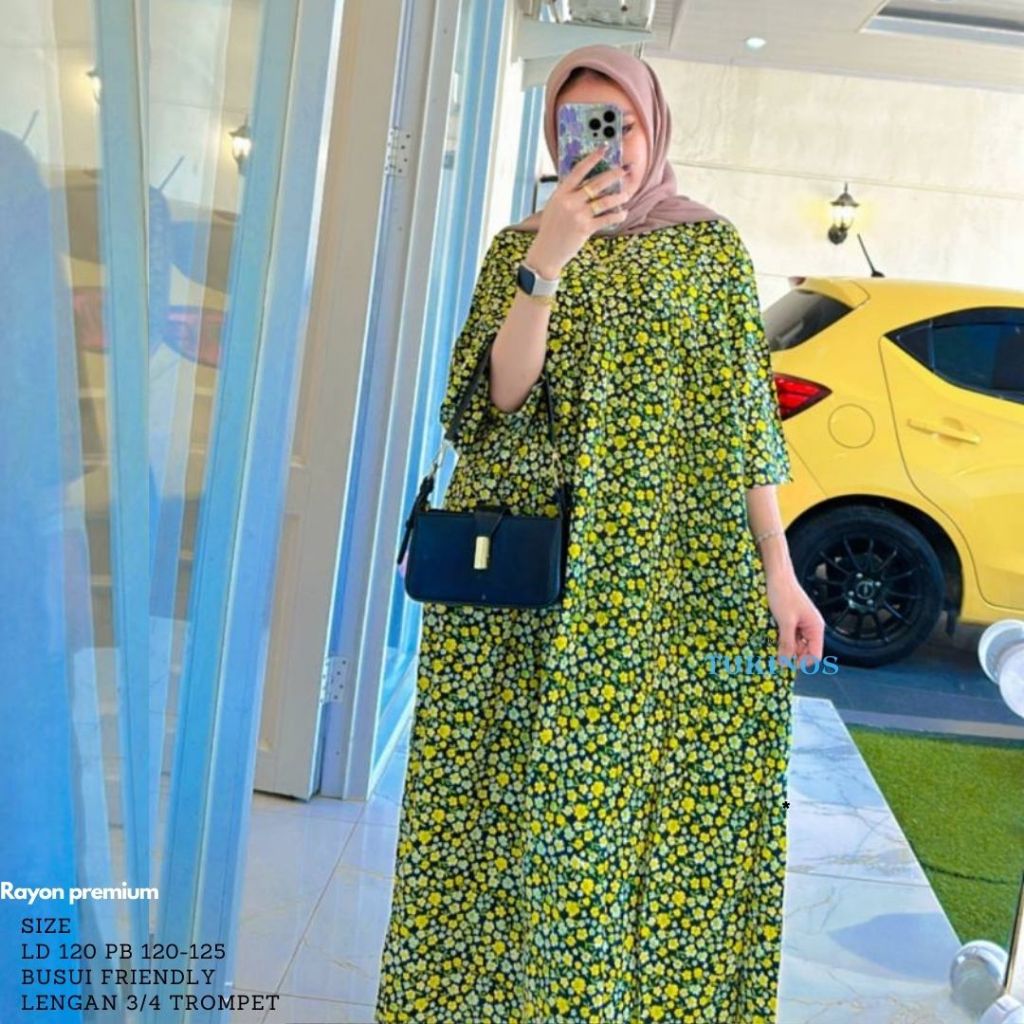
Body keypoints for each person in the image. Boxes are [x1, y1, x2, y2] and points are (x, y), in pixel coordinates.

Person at [376, 43, 825, 1024]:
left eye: (616, 123)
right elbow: (492, 404)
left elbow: (743, 422)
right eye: (576, 125)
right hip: (527, 581)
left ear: (652, 128)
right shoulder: (519, 246)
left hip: (659, 575)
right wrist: (547, 261)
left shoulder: (709, 250)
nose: (600, 146)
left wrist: (780, 571)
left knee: (640, 811)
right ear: (553, 137)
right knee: (507, 810)